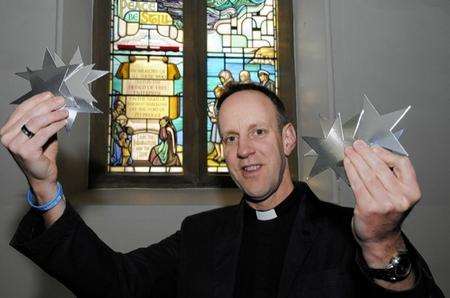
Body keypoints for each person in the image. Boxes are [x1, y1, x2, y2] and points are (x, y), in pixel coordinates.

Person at [0, 85, 444, 297]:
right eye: (230, 137)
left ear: (288, 139)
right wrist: (46, 186)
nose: (244, 150)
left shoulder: (352, 232)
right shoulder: (199, 234)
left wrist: (384, 245)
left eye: (257, 132)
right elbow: (115, 284)